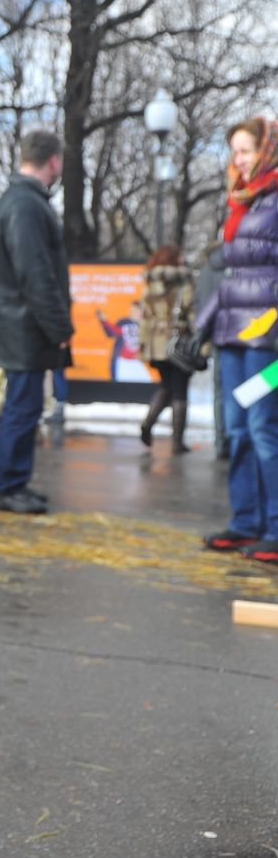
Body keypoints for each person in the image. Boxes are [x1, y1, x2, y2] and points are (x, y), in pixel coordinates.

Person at [198, 116, 278, 565]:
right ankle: (246, 521)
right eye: (234, 152)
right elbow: (230, 280)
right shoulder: (241, 205)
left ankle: (276, 528)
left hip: (267, 343)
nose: (239, 159)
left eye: (245, 150)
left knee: (264, 429)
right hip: (233, 340)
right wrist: (200, 329)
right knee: (237, 430)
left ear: (266, 150)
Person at [0, 129, 73, 514]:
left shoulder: (21, 201)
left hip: (21, 326)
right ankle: (4, 486)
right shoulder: (26, 205)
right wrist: (60, 329)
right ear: (53, 160)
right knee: (22, 409)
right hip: (25, 329)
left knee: (24, 407)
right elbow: (36, 275)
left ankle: (11, 482)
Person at [136, 244, 195, 453]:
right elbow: (191, 311)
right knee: (180, 391)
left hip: (156, 344)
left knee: (166, 387)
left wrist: (142, 344)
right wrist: (200, 340)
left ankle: (147, 424)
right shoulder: (182, 281)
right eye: (179, 256)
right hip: (178, 342)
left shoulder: (149, 283)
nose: (182, 259)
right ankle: (177, 442)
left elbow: (144, 317)